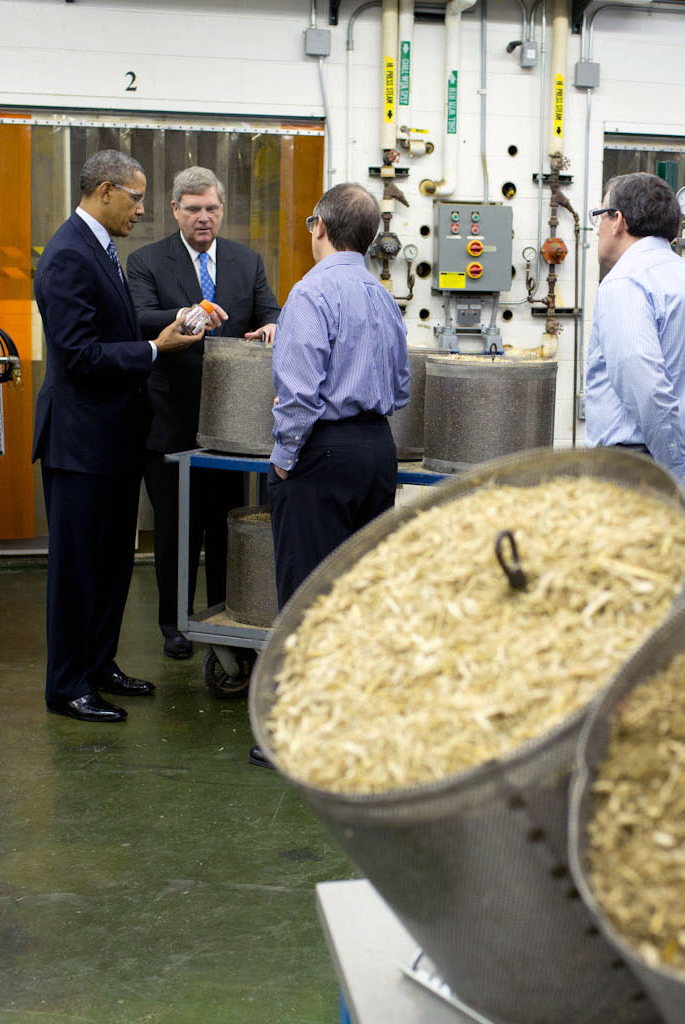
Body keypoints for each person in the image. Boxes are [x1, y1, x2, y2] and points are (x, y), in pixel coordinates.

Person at [32, 150, 218, 723]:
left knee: (113, 563)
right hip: (80, 444)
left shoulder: (102, 248)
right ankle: (67, 685)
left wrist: (168, 327)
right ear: (106, 190)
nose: (142, 209)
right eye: (136, 197)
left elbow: (110, 324)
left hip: (111, 439)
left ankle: (99, 664)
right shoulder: (67, 255)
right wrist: (154, 350)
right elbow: (79, 355)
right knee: (78, 569)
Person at [250, 183, 409, 768]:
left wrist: (287, 456)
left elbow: (298, 392)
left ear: (318, 225)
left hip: (321, 453)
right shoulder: (381, 295)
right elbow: (400, 387)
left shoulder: (310, 294)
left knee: (306, 593)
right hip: (375, 449)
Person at [126, 166, 282, 660]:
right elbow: (138, 316)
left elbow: (269, 310)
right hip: (169, 418)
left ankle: (222, 616)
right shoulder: (147, 261)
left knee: (224, 528)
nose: (203, 218)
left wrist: (273, 328)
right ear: (175, 210)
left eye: (211, 208)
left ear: (221, 210)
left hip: (233, 425)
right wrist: (185, 315)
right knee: (175, 531)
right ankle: (175, 625)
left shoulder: (244, 261)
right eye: (193, 209)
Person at [583, 171, 685, 520]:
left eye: (600, 215)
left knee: (626, 574)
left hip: (637, 474)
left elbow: (647, 386)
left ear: (617, 220)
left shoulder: (625, 283)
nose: (596, 230)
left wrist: (682, 479)